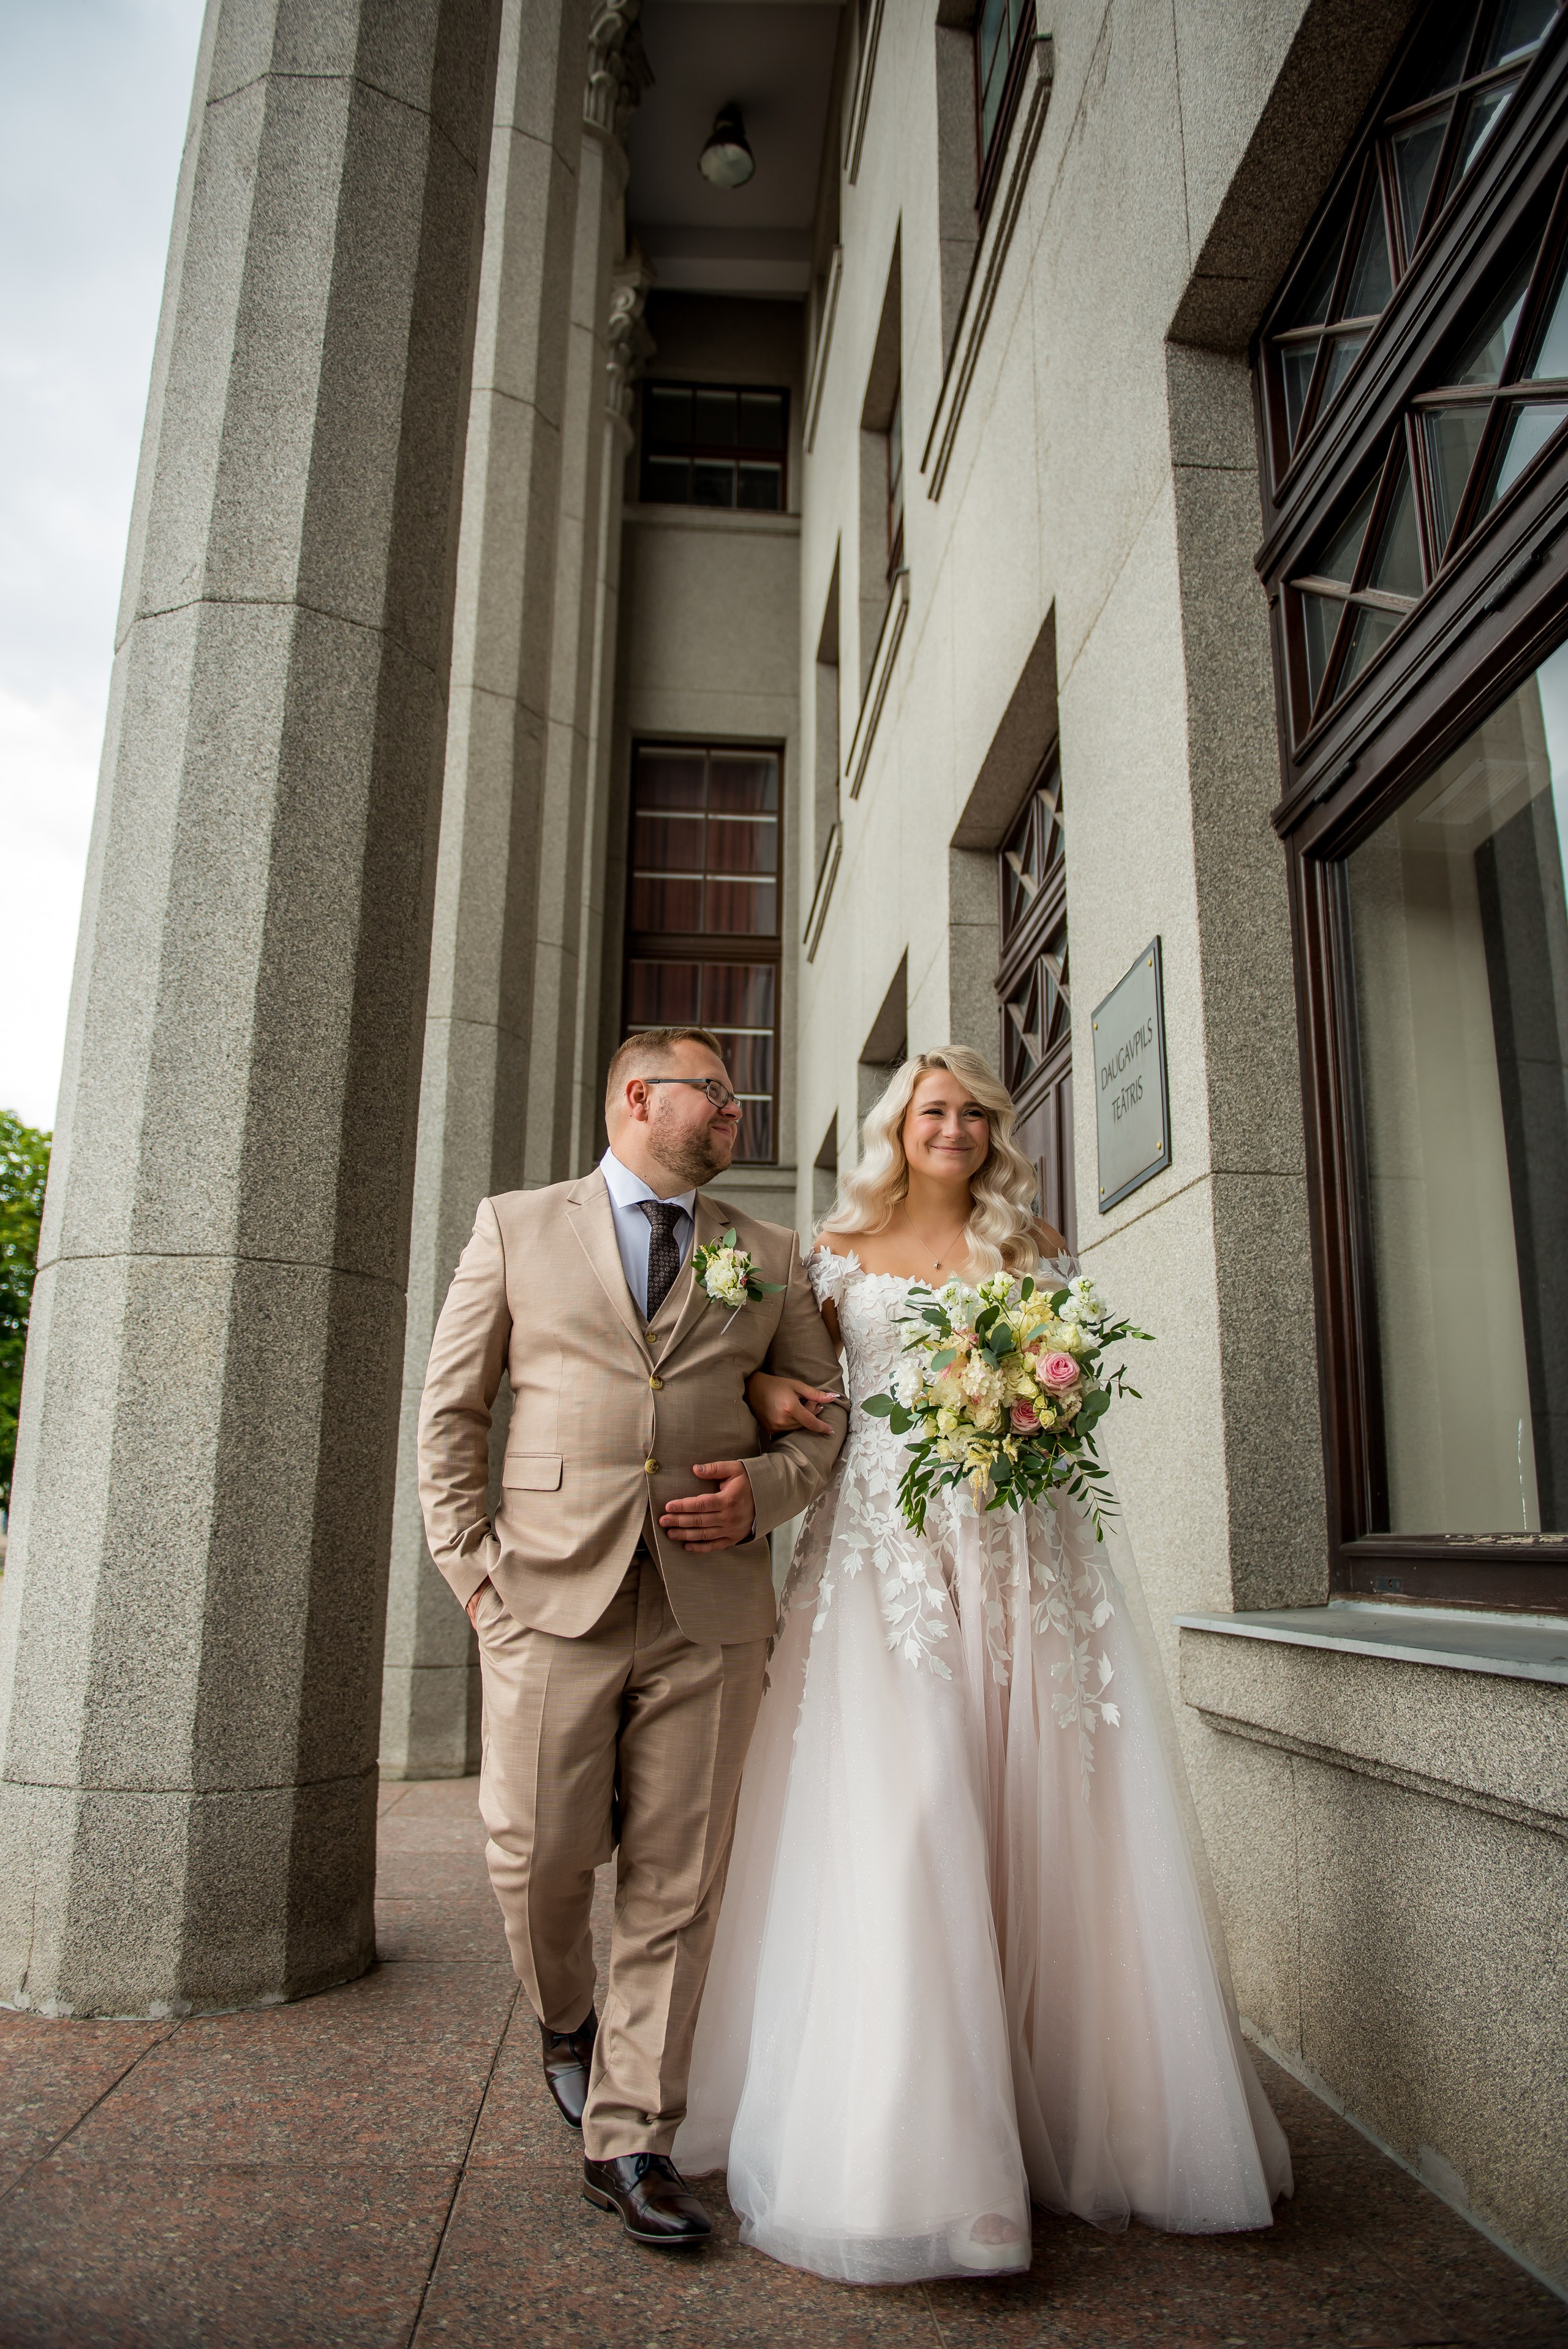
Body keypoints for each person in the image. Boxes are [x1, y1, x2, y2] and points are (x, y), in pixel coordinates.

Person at [675, 1046, 1292, 2283]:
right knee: (909, 1816)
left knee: (1050, 1818)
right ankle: (929, 2166)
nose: (950, 1127)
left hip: (1027, 1554)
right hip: (884, 1570)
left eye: (970, 1112)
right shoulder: (828, 1253)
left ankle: (1072, 2121)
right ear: (895, 1128)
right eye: (928, 1110)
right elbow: (771, 1372)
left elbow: (1075, 1393)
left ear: (992, 1130)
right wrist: (767, 1389)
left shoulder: (1035, 1242)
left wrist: (1032, 1406)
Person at [417, 1025, 847, 2250]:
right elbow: (451, 1409)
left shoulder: (764, 1254)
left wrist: (758, 1497)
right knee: (536, 1851)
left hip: (710, 1610)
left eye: (736, 1101)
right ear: (637, 1096)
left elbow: (820, 1429)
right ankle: (565, 2017)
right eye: (716, 1096)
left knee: (675, 1881)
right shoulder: (515, 1226)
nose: (735, 1117)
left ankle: (632, 2138)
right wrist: (471, 1571)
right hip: (547, 1594)